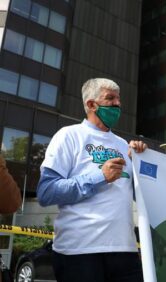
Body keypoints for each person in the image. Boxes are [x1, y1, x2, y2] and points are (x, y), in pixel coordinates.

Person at [36, 78, 146, 282]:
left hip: (125, 251)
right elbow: (46, 192)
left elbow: (141, 197)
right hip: (79, 252)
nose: (117, 104)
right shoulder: (68, 136)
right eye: (110, 98)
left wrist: (144, 163)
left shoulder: (124, 145)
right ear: (91, 104)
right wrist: (99, 177)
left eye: (118, 99)